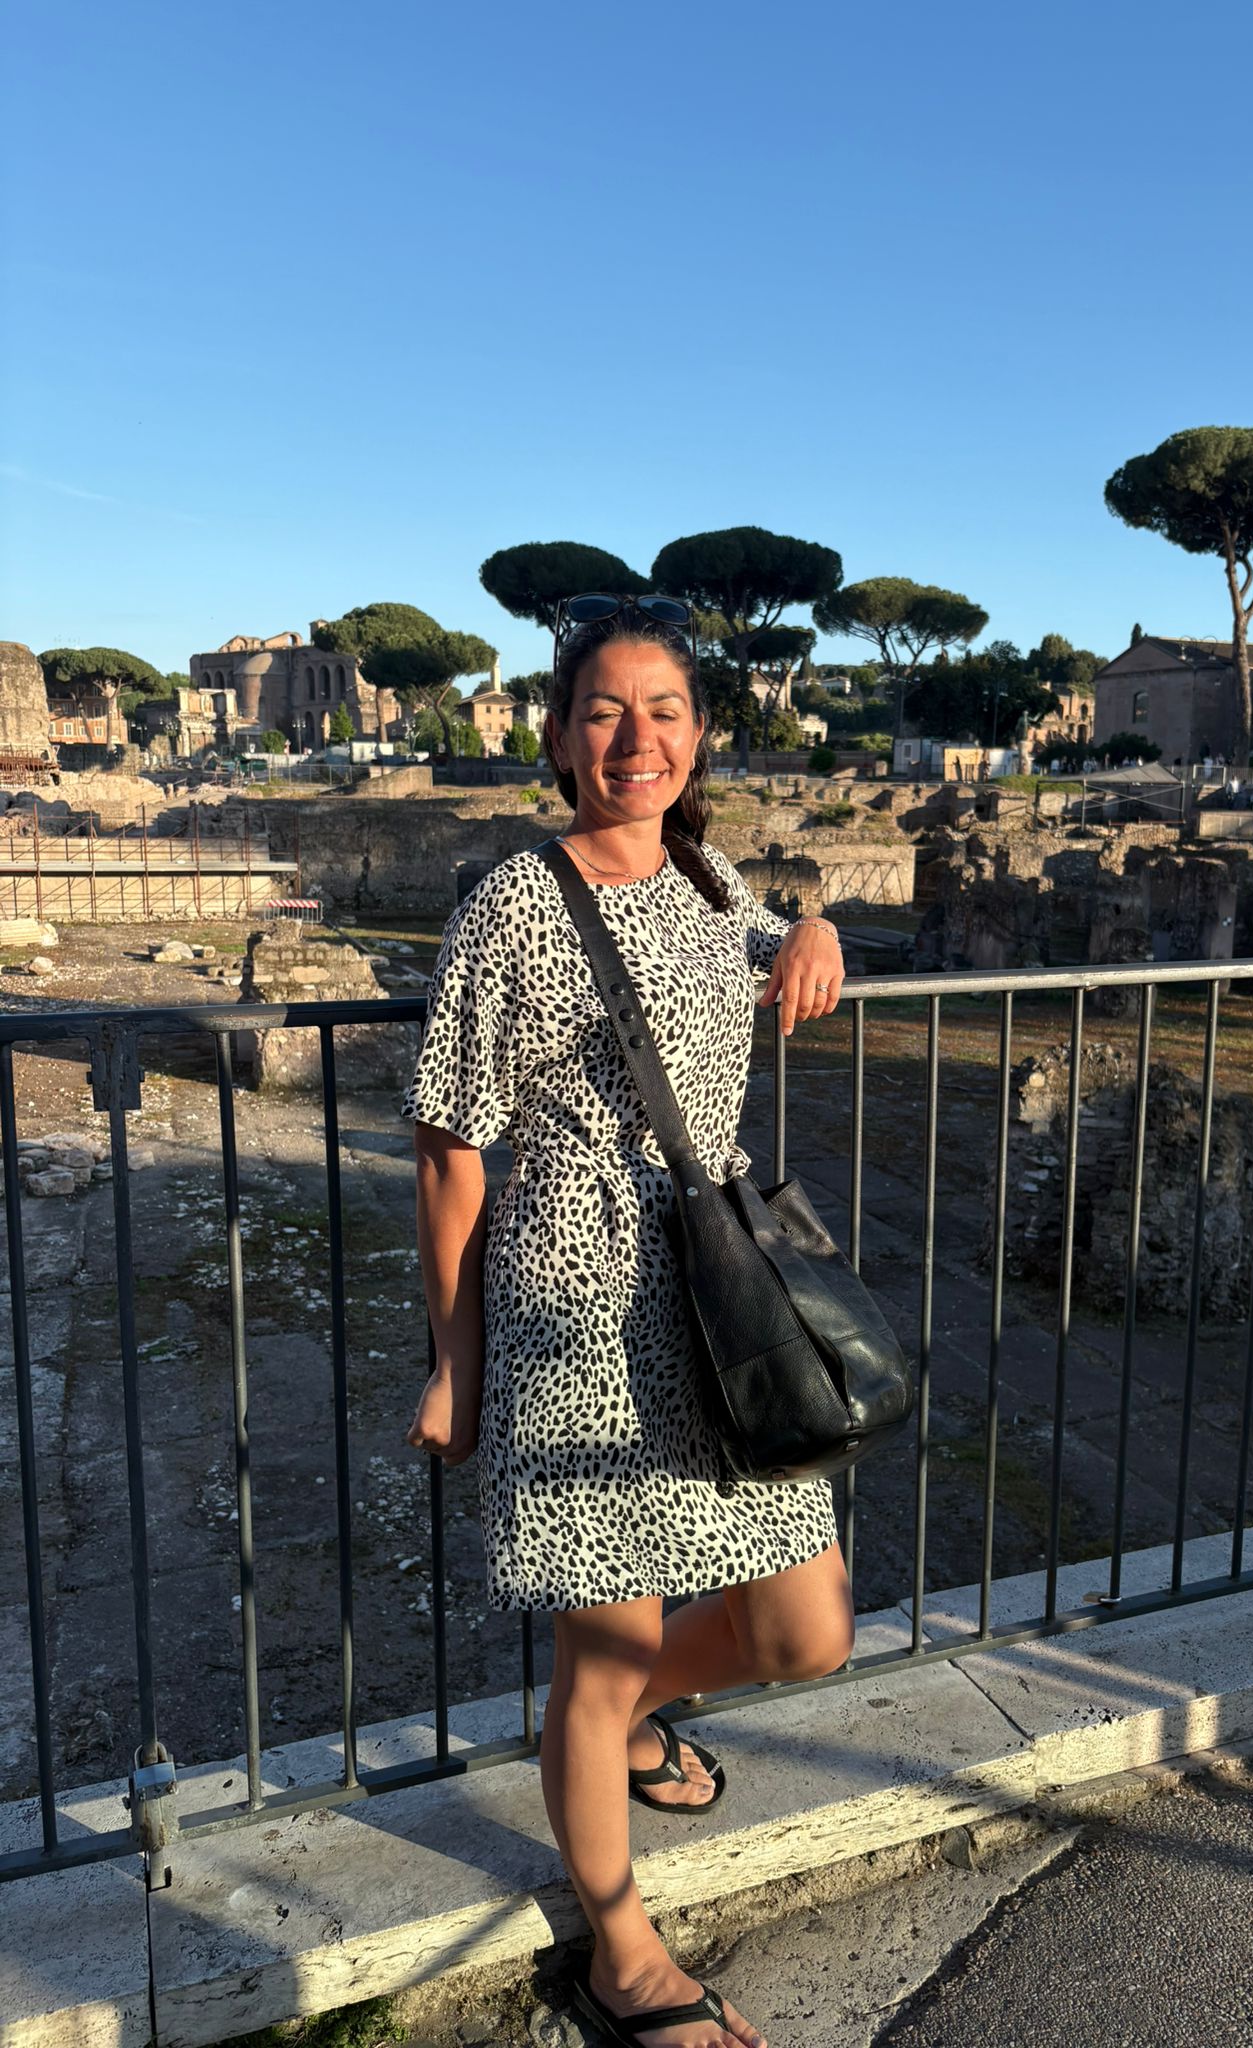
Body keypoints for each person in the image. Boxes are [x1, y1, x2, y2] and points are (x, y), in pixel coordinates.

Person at [404, 597, 853, 2048]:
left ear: (701, 733)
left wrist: (823, 925)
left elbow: (784, 933)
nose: (634, 738)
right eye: (603, 710)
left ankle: (619, 1722)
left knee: (809, 1629)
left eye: (663, 709)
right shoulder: (515, 904)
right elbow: (450, 1145)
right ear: (556, 735)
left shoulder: (717, 881)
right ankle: (621, 1949)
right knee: (598, 1655)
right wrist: (456, 1363)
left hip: (722, 1299)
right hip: (579, 1311)